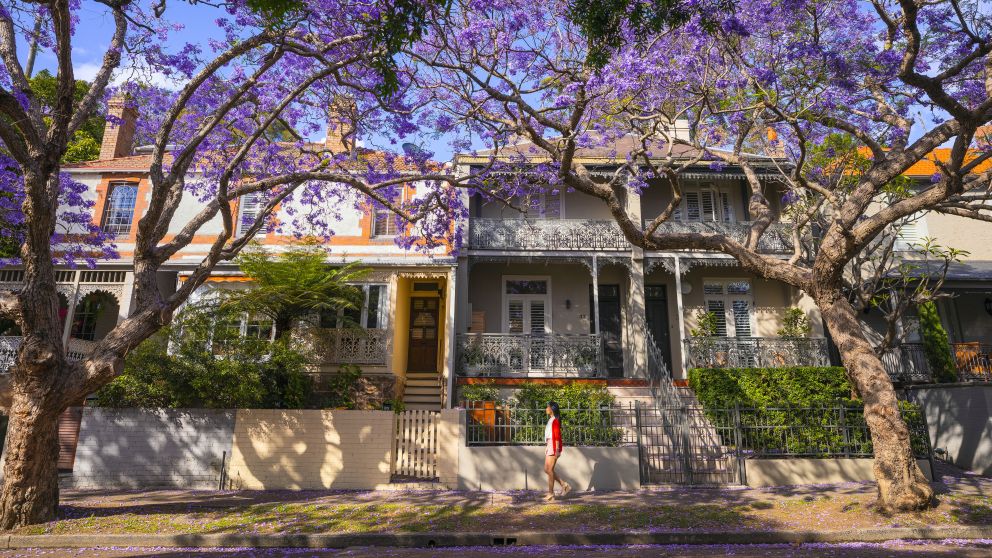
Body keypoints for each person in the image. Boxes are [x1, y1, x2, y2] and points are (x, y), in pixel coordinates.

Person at [544, 401, 571, 501]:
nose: (546, 409)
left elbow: (557, 436)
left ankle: (551, 493)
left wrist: (557, 450)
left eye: (547, 407)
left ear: (552, 409)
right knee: (547, 469)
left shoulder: (555, 420)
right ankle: (564, 485)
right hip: (549, 445)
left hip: (553, 446)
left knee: (549, 470)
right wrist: (547, 446)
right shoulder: (551, 420)